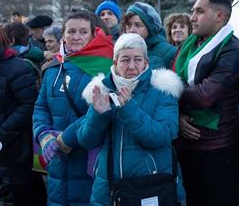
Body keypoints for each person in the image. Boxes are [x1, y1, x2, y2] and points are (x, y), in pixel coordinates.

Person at [77, 33, 182, 204]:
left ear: (146, 62)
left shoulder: (162, 89)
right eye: (125, 60)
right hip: (109, 186)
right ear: (115, 63)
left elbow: (163, 135)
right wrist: (99, 115)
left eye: (138, 59)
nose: (132, 66)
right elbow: (85, 141)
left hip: (151, 185)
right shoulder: (103, 90)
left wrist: (128, 109)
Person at [174, 0, 239, 206]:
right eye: (193, 11)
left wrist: (168, 87)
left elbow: (204, 96)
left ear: (219, 16)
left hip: (218, 150)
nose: (192, 17)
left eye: (199, 11)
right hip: (188, 146)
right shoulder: (190, 45)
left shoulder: (233, 51)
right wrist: (178, 116)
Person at [32, 11, 114, 205]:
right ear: (64, 35)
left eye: (83, 31)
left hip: (88, 158)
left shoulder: (105, 68)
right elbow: (41, 107)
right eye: (71, 31)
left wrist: (65, 139)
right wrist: (43, 135)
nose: (76, 36)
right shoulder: (53, 68)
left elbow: (99, 113)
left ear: (93, 35)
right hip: (56, 162)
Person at [0, 24, 47, 206]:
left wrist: (4, 129)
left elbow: (29, 104)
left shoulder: (16, 66)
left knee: (24, 190)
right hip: (3, 145)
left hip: (15, 144)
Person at [122, 2, 177, 69]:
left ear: (150, 29)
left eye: (138, 25)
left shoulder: (169, 52)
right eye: (128, 25)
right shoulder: (121, 50)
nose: (131, 30)